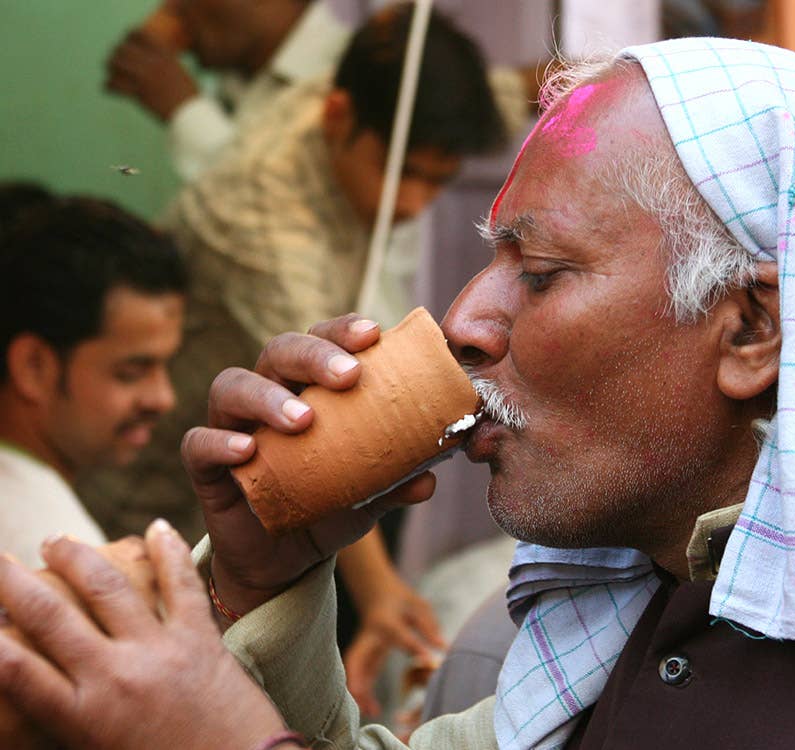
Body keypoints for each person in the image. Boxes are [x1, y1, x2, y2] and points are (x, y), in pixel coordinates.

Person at [1, 36, 795, 750]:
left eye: (542, 272)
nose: (462, 322)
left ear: (751, 330)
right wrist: (264, 578)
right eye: (490, 261)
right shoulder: (606, 631)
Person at [89, 0, 507, 718]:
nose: (413, 203)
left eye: (437, 180)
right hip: (158, 498)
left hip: (267, 510)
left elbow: (500, 85)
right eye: (398, 171)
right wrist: (379, 595)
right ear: (338, 117)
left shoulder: (371, 86)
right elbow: (328, 418)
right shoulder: (262, 214)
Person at [106, 0, 532, 182]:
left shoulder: (364, 71)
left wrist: (185, 110)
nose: (175, 9)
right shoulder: (237, 80)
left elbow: (257, 218)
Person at [0, 196, 185, 568]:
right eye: (131, 372)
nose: (164, 398)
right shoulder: (56, 551)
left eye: (166, 366)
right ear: (33, 366)